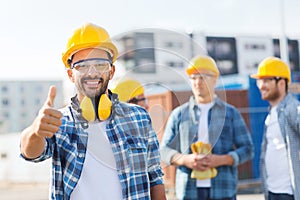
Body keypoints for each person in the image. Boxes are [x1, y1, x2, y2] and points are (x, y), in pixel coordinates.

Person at [20, 23, 166, 200]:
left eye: (100, 64)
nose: (92, 72)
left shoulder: (139, 118)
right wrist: (35, 131)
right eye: (82, 65)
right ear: (70, 74)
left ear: (111, 71)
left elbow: (155, 177)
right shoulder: (59, 121)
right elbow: (31, 153)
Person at [160, 55, 254, 200]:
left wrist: (223, 159)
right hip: (188, 191)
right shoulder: (178, 114)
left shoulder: (230, 113)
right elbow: (164, 151)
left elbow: (248, 149)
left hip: (223, 190)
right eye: (193, 77)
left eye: (203, 77)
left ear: (215, 80)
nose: (198, 82)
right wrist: (185, 160)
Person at [251, 57, 300, 200]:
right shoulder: (272, 113)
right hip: (272, 191)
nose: (261, 86)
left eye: (266, 80)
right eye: (259, 81)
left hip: (289, 193)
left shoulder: (291, 108)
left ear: (281, 83)